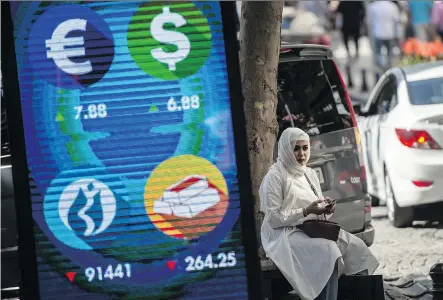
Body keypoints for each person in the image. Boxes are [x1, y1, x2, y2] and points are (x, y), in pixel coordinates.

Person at [259, 128, 379, 300]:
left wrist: (326, 209)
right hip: (283, 234)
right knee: (328, 251)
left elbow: (317, 206)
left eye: (305, 148)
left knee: (355, 245)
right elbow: (274, 219)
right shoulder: (275, 176)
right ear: (285, 149)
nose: (301, 154)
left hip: (310, 228)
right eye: (296, 148)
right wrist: (306, 211)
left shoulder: (309, 173)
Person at [368, 0, 400, 70]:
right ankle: (389, 68)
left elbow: (370, 21)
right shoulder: (392, 6)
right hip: (390, 33)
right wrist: (397, 34)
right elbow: (397, 21)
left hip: (378, 33)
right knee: (389, 53)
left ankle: (381, 69)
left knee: (378, 53)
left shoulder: (373, 6)